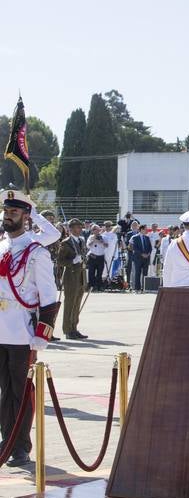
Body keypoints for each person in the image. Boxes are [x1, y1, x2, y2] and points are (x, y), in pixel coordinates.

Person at [0, 188, 59, 466]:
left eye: (14, 212)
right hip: (1, 330)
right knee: (4, 389)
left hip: (23, 332)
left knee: (20, 392)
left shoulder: (37, 253)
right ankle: (7, 438)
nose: (8, 216)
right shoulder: (2, 247)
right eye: (6, 211)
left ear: (26, 216)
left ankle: (20, 446)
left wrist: (42, 334)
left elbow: (49, 297)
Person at [57, 219, 88, 340]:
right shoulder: (66, 242)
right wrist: (72, 261)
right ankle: (67, 330)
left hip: (80, 276)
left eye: (80, 227)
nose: (79, 229)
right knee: (69, 304)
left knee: (77, 303)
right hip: (70, 275)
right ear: (70, 229)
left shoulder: (81, 241)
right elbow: (60, 261)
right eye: (76, 227)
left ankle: (74, 328)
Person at [129, 224, 152, 292]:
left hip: (146, 258)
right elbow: (135, 248)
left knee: (145, 273)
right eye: (145, 229)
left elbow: (150, 247)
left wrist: (148, 254)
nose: (146, 230)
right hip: (138, 258)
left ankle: (144, 288)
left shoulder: (147, 238)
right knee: (137, 273)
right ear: (141, 229)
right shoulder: (135, 237)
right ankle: (137, 288)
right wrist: (142, 254)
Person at [86, 224, 107, 291]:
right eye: (94, 230)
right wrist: (94, 240)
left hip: (100, 257)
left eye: (97, 229)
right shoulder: (91, 237)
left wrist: (102, 242)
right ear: (92, 231)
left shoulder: (103, 237)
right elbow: (88, 246)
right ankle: (91, 286)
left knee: (99, 273)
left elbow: (106, 245)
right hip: (92, 256)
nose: (96, 231)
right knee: (91, 272)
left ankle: (99, 286)